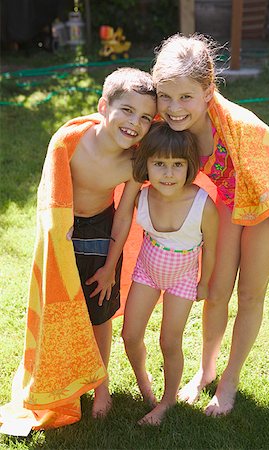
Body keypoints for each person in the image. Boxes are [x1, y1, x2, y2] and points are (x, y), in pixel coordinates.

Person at [151, 33, 269, 417]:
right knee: (216, 290)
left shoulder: (237, 125)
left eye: (186, 98)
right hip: (230, 200)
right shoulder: (161, 117)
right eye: (166, 96)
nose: (174, 108)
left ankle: (229, 382)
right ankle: (206, 370)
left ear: (208, 89)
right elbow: (123, 122)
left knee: (249, 294)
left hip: (264, 200)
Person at [67, 67, 156, 418]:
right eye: (128, 111)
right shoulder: (72, 142)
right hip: (63, 229)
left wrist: (109, 266)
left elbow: (123, 215)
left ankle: (101, 385)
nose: (135, 123)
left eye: (146, 117)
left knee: (100, 313)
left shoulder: (132, 163)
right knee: (64, 304)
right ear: (104, 107)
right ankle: (68, 376)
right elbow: (51, 189)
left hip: (102, 232)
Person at [122, 121, 218, 425]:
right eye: (159, 163)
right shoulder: (143, 196)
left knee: (169, 341)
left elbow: (212, 249)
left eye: (178, 164)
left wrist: (204, 282)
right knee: (130, 334)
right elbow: (123, 212)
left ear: (189, 166)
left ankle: (167, 401)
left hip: (183, 278)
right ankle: (143, 381)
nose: (168, 173)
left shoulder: (203, 205)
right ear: (146, 164)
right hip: (147, 272)